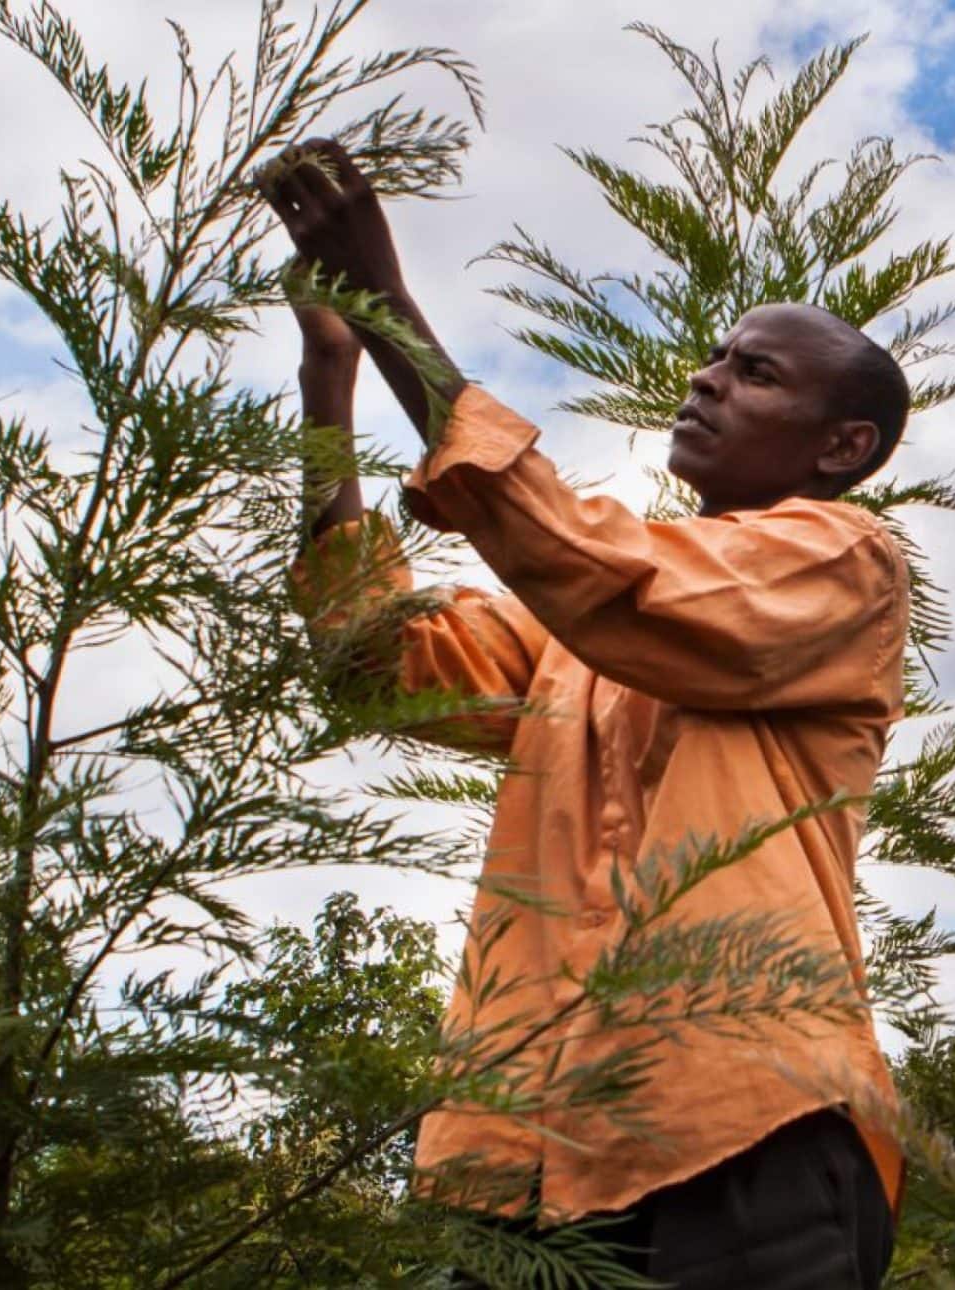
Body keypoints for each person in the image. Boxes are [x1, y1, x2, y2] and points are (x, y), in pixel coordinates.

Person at [263, 138, 908, 1288]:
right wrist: (333, 378)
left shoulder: (842, 564)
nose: (709, 378)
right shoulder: (581, 632)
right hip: (522, 1155)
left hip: (740, 1132)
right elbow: (377, 667)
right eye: (716, 358)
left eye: (758, 374)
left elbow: (600, 572)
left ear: (840, 446)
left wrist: (392, 307)